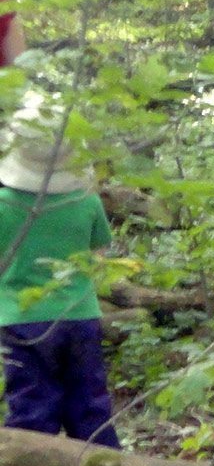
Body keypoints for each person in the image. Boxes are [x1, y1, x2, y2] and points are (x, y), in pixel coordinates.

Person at [0, 116, 122, 449]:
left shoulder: (4, 205)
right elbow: (98, 256)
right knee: (90, 407)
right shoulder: (87, 201)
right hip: (79, 314)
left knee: (31, 411)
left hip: (21, 319)